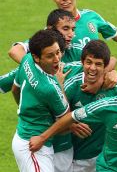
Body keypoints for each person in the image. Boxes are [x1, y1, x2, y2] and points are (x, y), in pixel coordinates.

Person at [12, 29, 69, 172]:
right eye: (50, 56)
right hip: (34, 147)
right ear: (37, 57)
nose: (57, 59)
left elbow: (15, 88)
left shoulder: (26, 60)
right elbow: (66, 121)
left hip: (23, 133)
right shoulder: (50, 88)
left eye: (58, 52)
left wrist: (24, 109)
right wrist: (60, 85)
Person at [62, 39, 117, 172]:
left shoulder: (114, 86)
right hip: (76, 157)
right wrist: (70, 125)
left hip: (104, 159)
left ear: (105, 66)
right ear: (82, 62)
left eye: (98, 64)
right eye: (89, 62)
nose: (92, 68)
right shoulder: (72, 84)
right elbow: (55, 114)